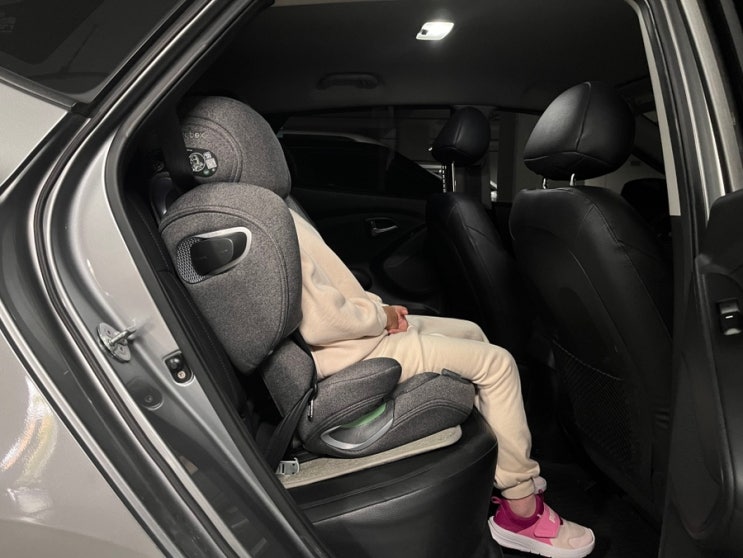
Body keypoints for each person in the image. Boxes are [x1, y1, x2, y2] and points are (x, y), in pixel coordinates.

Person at [290, 209, 595, 558]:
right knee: (499, 365)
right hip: (349, 351)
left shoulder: (279, 207)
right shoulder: (269, 215)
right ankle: (520, 511)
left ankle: (505, 467)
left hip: (354, 338)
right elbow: (323, 321)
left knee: (471, 332)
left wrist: (378, 310)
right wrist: (381, 316)